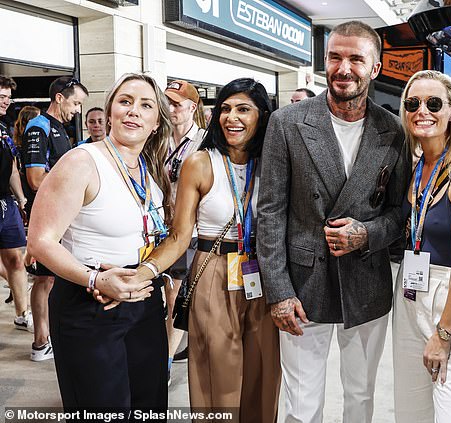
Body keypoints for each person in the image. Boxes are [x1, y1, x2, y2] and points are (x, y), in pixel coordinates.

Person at [257, 21, 410, 423]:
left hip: (367, 284)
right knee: (301, 402)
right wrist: (278, 291)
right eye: (335, 57)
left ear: (375, 68)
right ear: (324, 62)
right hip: (303, 286)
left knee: (360, 396)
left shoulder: (393, 131)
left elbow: (400, 214)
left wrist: (367, 233)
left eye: (356, 58)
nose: (344, 68)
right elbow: (270, 211)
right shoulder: (287, 123)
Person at [126, 77, 280, 421]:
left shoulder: (273, 163)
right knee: (219, 374)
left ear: (262, 116)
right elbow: (180, 236)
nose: (231, 117)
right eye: (225, 109)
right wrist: (143, 273)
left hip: (264, 276)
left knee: (264, 372)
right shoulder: (200, 162)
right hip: (213, 271)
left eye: (243, 109)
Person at [27, 72, 171, 412]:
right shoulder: (82, 162)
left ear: (155, 123)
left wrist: (146, 274)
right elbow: (40, 241)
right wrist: (94, 279)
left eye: (145, 105)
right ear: (109, 114)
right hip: (90, 301)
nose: (134, 111)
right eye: (125, 102)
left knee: (149, 407)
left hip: (143, 299)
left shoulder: (149, 170)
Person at [392, 70, 451, 423]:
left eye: (434, 103)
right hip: (409, 290)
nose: (422, 111)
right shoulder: (416, 166)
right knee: (411, 409)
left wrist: (444, 334)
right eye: (413, 103)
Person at [22, 76, 87, 362]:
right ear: (59, 98)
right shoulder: (39, 125)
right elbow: (36, 179)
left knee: (53, 279)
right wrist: (74, 186)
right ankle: (40, 342)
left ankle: (51, 336)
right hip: (47, 216)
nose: (77, 110)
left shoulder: (62, 128)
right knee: (44, 280)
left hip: (61, 215)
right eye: (75, 102)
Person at [163, 79, 206, 372]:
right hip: (156, 227)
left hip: (188, 229)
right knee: (160, 293)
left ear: (192, 107)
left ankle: (163, 360)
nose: (171, 109)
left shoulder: (204, 141)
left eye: (177, 104)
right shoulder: (157, 138)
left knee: (175, 293)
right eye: (167, 103)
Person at [0, 76, 31, 332]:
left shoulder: (4, 127)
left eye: (8, 98)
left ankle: (23, 314)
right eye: (1, 96)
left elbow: (11, 168)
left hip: (6, 204)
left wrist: (21, 199)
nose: (5, 102)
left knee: (16, 260)